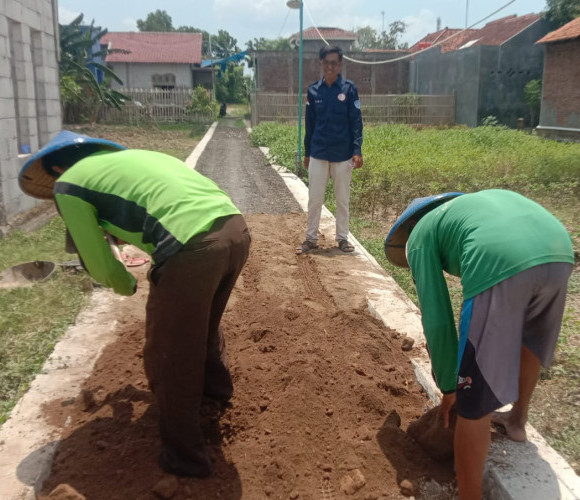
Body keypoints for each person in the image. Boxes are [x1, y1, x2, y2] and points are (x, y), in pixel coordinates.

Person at [19, 130, 251, 478]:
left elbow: (98, 264)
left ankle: (185, 457)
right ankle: (216, 394)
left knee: (169, 352)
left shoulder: (67, 185)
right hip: (236, 230)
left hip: (193, 247)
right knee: (201, 327)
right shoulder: (134, 162)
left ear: (55, 167)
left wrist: (125, 283)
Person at [384, 189, 575, 499]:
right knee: (529, 342)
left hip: (502, 258)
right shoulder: (470, 208)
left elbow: (437, 318)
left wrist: (449, 386)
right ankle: (517, 420)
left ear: (406, 229)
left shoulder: (418, 236)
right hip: (559, 251)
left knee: (473, 400)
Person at [296, 45, 363, 255]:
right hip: (318, 153)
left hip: (343, 154)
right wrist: (307, 153)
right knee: (315, 198)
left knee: (342, 199)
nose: (330, 66)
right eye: (327, 62)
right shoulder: (313, 90)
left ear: (340, 64)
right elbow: (310, 125)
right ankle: (311, 238)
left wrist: (357, 149)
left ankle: (342, 238)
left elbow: (356, 122)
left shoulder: (349, 90)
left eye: (334, 62)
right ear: (321, 64)